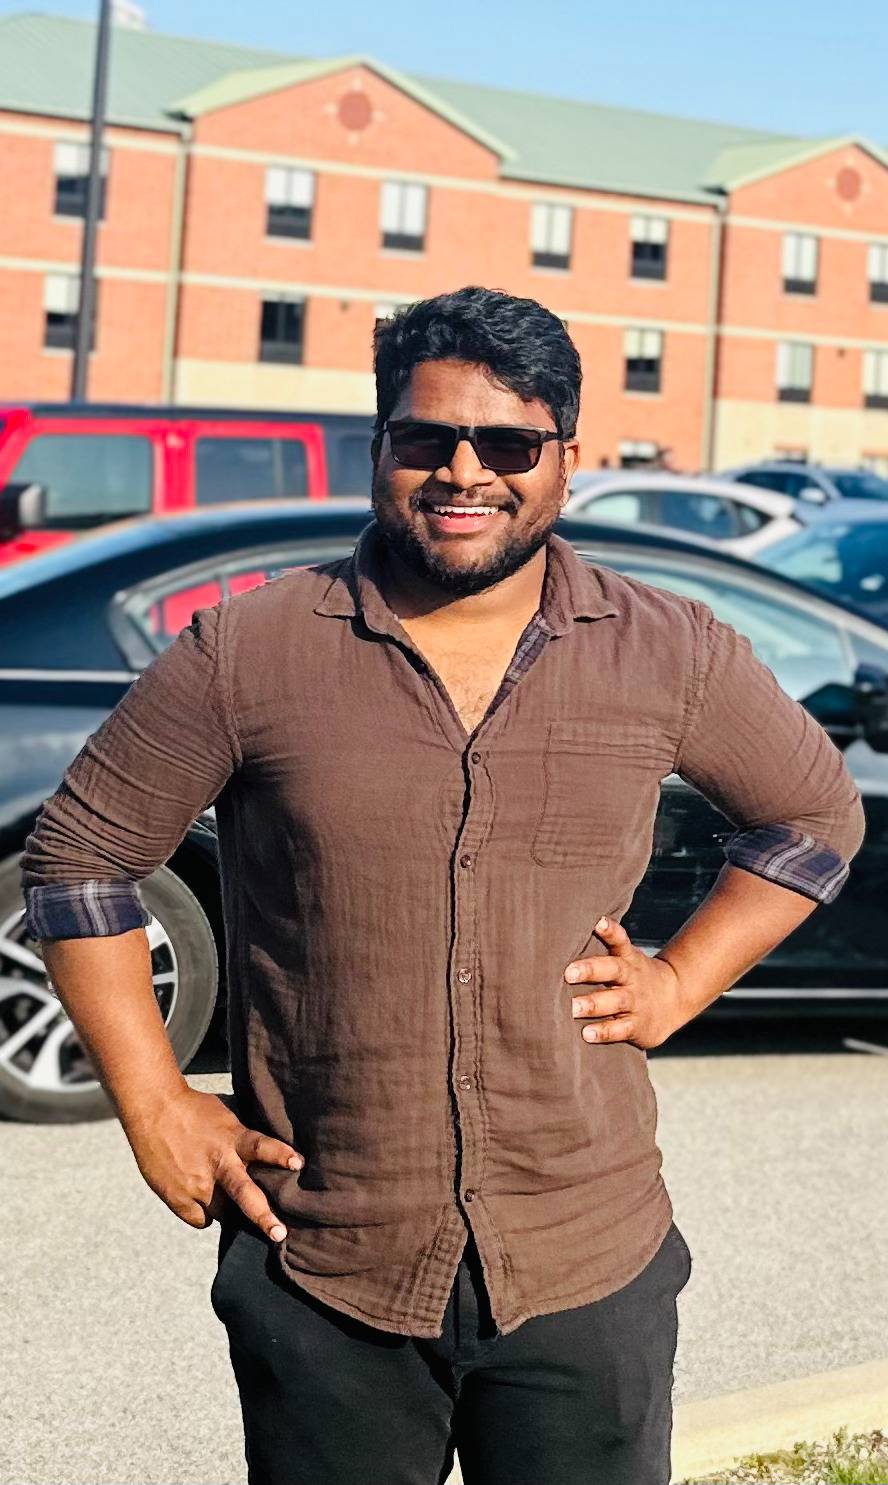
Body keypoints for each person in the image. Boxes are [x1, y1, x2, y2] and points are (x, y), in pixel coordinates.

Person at [21, 286, 865, 1485]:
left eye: (509, 444)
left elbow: (817, 815)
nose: (464, 472)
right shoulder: (250, 651)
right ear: (382, 447)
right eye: (427, 438)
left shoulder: (669, 649)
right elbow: (78, 859)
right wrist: (154, 1103)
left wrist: (682, 980)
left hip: (587, 1261)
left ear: (566, 456)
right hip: (325, 1265)